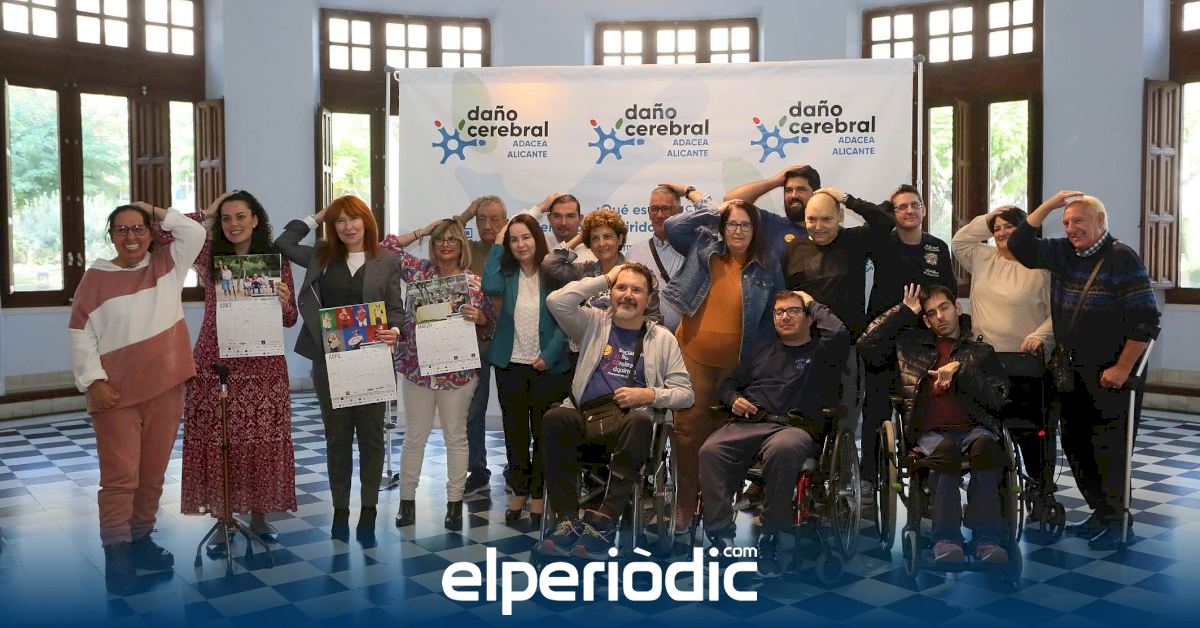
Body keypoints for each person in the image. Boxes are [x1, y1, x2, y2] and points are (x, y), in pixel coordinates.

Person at [1009, 191, 1160, 550]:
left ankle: (1118, 522)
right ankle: (1099, 512)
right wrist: (1050, 205)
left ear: (1100, 221)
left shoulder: (1122, 258)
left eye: (1078, 221)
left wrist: (1122, 368)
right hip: (1071, 370)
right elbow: (1020, 246)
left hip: (1111, 374)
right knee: (1077, 446)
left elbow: (1145, 321)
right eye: (1066, 222)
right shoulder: (1064, 252)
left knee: (1110, 450)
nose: (1071, 228)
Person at [69, 201, 206, 595]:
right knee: (120, 477)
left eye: (138, 227)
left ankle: (141, 538)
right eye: (122, 229)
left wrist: (153, 209)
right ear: (111, 235)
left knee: (151, 474)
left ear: (150, 232)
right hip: (115, 395)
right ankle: (117, 552)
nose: (130, 236)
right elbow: (80, 333)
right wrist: (93, 381)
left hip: (166, 389)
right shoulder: (96, 277)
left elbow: (195, 232)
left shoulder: (167, 265)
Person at [539, 263, 694, 558]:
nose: (627, 295)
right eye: (621, 287)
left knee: (639, 420)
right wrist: (606, 277)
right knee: (555, 417)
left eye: (637, 290)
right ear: (610, 292)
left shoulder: (663, 340)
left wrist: (649, 394)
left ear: (648, 298)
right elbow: (556, 301)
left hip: (629, 431)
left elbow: (686, 394)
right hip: (584, 420)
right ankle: (567, 521)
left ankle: (605, 522)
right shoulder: (591, 323)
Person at [275, 195, 403, 541]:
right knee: (338, 438)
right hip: (329, 362)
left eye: (353, 219)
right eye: (340, 221)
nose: (347, 227)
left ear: (366, 221)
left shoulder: (387, 260)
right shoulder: (321, 255)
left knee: (372, 437)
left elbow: (395, 308)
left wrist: (395, 330)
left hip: (372, 359)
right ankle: (341, 509)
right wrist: (318, 216)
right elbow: (284, 243)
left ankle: (369, 508)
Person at [699, 290, 850, 578]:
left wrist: (811, 302)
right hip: (749, 423)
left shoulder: (823, 352)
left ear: (809, 318)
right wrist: (733, 399)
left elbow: (839, 332)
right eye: (779, 312)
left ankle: (771, 534)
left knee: (783, 449)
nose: (785, 317)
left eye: (793, 311)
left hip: (793, 428)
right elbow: (728, 384)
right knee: (710, 450)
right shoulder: (761, 350)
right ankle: (721, 537)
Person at [179, 190, 299, 551]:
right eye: (226, 218)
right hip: (215, 363)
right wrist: (208, 211)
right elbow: (170, 231)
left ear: (255, 219)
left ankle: (259, 517)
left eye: (241, 216)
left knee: (262, 441)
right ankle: (223, 518)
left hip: (263, 365)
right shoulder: (208, 256)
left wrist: (285, 303)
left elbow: (290, 319)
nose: (234, 224)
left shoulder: (276, 261)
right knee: (220, 441)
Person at [858, 284, 1011, 564]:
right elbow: (866, 344)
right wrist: (904, 312)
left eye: (944, 308)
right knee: (947, 451)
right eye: (931, 313)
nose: (940, 317)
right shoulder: (910, 347)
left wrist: (962, 370)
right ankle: (946, 538)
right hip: (930, 433)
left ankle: (986, 539)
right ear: (926, 320)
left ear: (957, 308)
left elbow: (999, 399)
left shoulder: (981, 351)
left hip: (975, 429)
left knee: (988, 449)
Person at [663, 194, 786, 530]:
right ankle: (685, 505)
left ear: (755, 230)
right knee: (688, 433)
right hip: (693, 355)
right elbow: (673, 227)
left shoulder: (768, 264)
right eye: (731, 224)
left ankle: (717, 508)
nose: (738, 231)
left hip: (736, 366)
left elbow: (773, 317)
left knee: (724, 440)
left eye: (745, 225)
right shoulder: (704, 245)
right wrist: (715, 210)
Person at [381, 219, 495, 530]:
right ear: (432, 244)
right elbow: (387, 247)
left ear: (462, 245)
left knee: (455, 437)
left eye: (452, 239)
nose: (445, 244)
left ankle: (454, 504)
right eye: (439, 239)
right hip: (417, 369)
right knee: (414, 437)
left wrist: (480, 317)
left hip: (457, 374)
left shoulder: (474, 283)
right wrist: (424, 229)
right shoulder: (419, 272)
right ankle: (406, 503)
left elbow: (488, 323)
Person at [853, 184, 957, 502]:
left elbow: (949, 293)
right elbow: (874, 218)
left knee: (921, 411)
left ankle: (924, 478)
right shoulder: (881, 241)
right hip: (882, 338)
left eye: (915, 205)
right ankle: (868, 478)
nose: (909, 210)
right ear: (892, 213)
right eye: (901, 206)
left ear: (924, 210)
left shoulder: (937, 247)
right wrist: (880, 205)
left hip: (922, 344)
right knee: (875, 410)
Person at [952, 205, 1055, 511]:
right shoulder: (982, 258)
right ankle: (992, 496)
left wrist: (1040, 336)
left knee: (1033, 434)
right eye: (996, 228)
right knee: (989, 433)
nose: (1001, 232)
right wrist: (988, 218)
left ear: (1025, 230)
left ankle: (1040, 492)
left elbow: (1058, 314)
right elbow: (959, 241)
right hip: (984, 363)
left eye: (1009, 226)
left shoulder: (1042, 267)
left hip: (1027, 363)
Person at [780, 187, 895, 434]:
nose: (818, 226)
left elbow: (885, 222)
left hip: (848, 350)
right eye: (811, 219)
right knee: (802, 423)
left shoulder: (855, 240)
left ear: (840, 217)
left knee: (844, 424)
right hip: (804, 350)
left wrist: (847, 198)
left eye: (826, 219)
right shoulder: (793, 249)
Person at [483, 213, 571, 525]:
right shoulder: (506, 274)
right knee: (515, 434)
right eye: (513, 239)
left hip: (546, 366)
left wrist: (550, 354)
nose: (520, 244)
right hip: (510, 366)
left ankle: (538, 495)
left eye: (526, 237)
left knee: (543, 435)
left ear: (537, 239)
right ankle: (519, 491)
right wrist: (497, 244)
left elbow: (567, 319)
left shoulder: (554, 273)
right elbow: (488, 284)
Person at [452, 196, 509, 495]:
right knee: (473, 413)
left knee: (515, 412)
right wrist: (467, 211)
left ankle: (517, 470)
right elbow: (447, 233)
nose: (487, 225)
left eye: (494, 219)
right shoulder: (468, 251)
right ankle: (477, 469)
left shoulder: (514, 251)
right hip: (476, 345)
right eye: (481, 219)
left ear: (505, 222)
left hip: (511, 343)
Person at [542, 206, 662, 321]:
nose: (601, 243)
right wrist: (581, 236)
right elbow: (550, 264)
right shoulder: (585, 271)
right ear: (590, 245)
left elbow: (653, 318)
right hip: (588, 335)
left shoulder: (642, 274)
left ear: (619, 239)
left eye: (607, 236)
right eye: (595, 238)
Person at [722, 164, 820, 260]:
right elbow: (731, 201)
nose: (793, 195)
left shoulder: (824, 231)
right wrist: (776, 181)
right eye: (788, 190)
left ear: (816, 193)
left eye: (801, 189)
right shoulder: (772, 224)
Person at [625, 184, 688, 331]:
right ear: (648, 213)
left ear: (680, 212)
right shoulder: (633, 254)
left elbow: (713, 213)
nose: (659, 215)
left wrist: (688, 191)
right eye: (654, 209)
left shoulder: (693, 250)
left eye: (666, 209)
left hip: (688, 340)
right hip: (647, 338)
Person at [525, 191, 596, 262]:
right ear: (549, 219)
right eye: (557, 216)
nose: (563, 223)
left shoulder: (594, 250)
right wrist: (541, 207)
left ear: (580, 219)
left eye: (570, 216)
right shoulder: (540, 244)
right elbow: (518, 228)